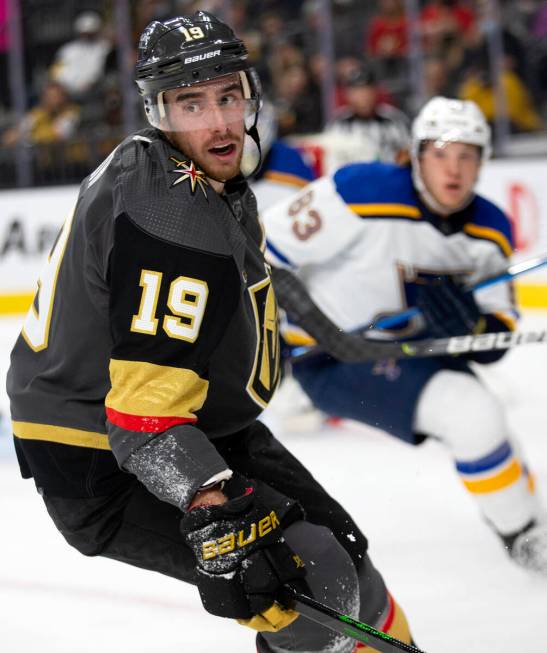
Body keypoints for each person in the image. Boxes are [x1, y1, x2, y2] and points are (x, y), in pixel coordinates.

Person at [7, 11, 417, 653]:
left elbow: (248, 276)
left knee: (344, 557)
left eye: (228, 95)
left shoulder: (184, 171)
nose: (219, 121)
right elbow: (144, 422)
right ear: (158, 110)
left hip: (194, 421)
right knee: (309, 584)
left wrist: (333, 334)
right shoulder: (172, 218)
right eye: (191, 103)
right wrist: (210, 504)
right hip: (101, 457)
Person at [261, 96, 547, 575]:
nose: (453, 169)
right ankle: (523, 536)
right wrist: (314, 330)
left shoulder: (491, 227)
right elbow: (262, 249)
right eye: (440, 153)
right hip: (331, 360)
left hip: (412, 350)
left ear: (482, 164)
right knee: (470, 413)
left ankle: (524, 516)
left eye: (467, 155)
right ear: (415, 156)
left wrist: (473, 325)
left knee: (489, 424)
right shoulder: (361, 191)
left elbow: (498, 332)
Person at [323, 64, 410, 166]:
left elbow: (408, 153)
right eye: (356, 92)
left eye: (367, 91)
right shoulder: (337, 124)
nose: (363, 97)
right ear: (347, 95)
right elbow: (329, 159)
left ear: (376, 92)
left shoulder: (395, 120)